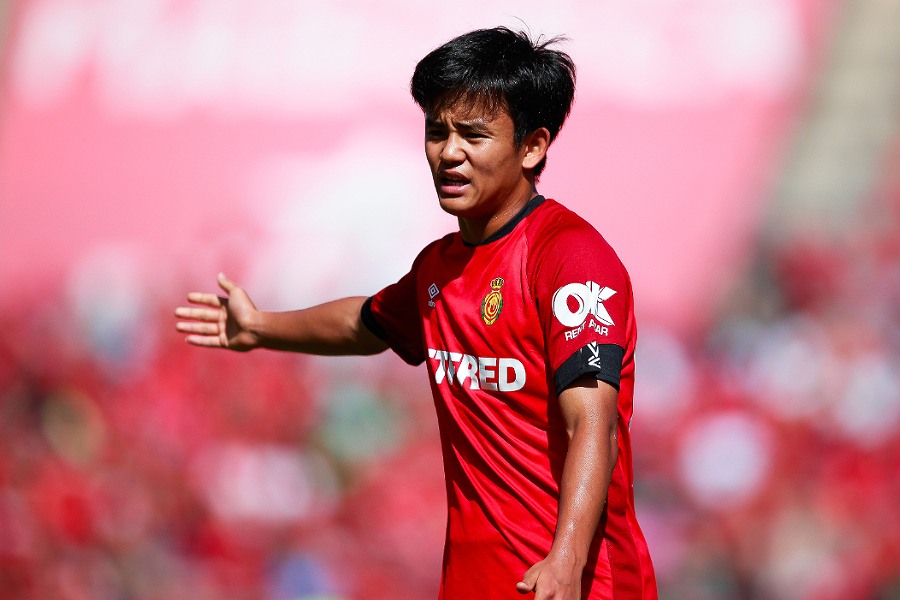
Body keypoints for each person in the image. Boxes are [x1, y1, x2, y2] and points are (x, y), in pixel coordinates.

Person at [175, 26, 657, 600]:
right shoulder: (438, 269)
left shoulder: (569, 257)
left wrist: (566, 561)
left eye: (473, 135)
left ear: (532, 147)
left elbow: (593, 424)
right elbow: (365, 324)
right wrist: (260, 327)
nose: (449, 153)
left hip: (579, 585)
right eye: (437, 132)